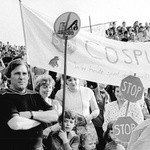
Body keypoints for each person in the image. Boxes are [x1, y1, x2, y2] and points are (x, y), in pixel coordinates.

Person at [0, 58, 59, 150]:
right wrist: (41, 119)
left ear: (28, 76)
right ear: (8, 76)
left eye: (24, 73)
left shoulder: (35, 95)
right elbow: (16, 124)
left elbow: (54, 115)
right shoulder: (4, 96)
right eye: (17, 73)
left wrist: (31, 114)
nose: (21, 77)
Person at [34, 74, 62, 149]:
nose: (48, 90)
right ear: (38, 88)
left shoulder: (55, 103)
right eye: (45, 87)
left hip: (54, 139)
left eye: (50, 87)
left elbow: (62, 122)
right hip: (38, 139)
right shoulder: (33, 103)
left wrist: (48, 130)